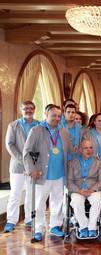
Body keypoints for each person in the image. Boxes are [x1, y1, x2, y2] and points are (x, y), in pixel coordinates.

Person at [23, 104, 72, 241]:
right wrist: (32, 170)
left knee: (58, 201)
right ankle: (38, 228)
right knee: (39, 203)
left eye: (58, 116)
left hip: (60, 174)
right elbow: (27, 152)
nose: (56, 118)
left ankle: (55, 226)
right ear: (46, 115)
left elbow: (69, 153)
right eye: (53, 116)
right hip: (42, 174)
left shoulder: (63, 132)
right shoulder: (36, 130)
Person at [4, 101, 39, 232]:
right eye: (26, 108)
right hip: (17, 166)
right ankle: (11, 221)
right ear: (21, 109)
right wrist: (23, 161)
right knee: (15, 194)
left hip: (34, 166)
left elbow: (41, 144)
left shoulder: (39, 125)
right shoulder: (13, 125)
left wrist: (32, 162)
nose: (28, 110)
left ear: (34, 110)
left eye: (31, 108)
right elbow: (10, 144)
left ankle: (29, 219)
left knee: (31, 193)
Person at [67, 139, 101, 238]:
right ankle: (83, 226)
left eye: (90, 148)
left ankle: (92, 227)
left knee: (98, 200)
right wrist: (79, 191)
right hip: (78, 189)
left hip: (93, 190)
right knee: (76, 201)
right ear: (80, 150)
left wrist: (92, 190)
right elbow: (69, 182)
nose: (89, 150)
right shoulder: (72, 163)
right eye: (85, 148)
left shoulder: (99, 163)